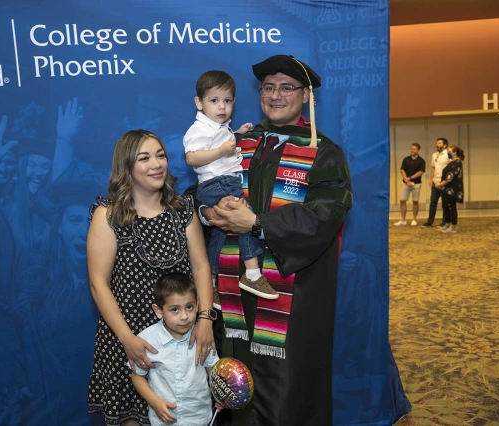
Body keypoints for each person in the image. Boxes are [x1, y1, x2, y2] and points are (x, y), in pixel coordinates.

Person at [200, 55, 353, 425]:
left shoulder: (323, 152)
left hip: (293, 295)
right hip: (233, 293)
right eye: (269, 87)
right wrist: (208, 213)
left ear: (306, 96)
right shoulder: (237, 143)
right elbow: (199, 189)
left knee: (286, 390)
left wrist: (256, 222)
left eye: (287, 87)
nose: (276, 95)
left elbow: (325, 214)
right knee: (233, 381)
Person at [87, 129, 215, 426]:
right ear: (127, 166)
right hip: (129, 342)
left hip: (182, 339)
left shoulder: (183, 210)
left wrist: (206, 319)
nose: (156, 164)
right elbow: (99, 284)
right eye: (144, 158)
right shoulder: (108, 216)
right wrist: (127, 340)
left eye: (160, 156)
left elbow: (201, 268)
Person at [183, 70, 278, 306]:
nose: (222, 107)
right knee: (246, 218)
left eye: (227, 101)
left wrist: (237, 133)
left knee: (219, 234)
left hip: (219, 182)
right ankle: (253, 274)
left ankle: (211, 284)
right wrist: (222, 152)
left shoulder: (218, 127)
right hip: (219, 182)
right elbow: (192, 158)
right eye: (214, 101)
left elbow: (216, 141)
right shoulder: (198, 129)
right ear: (199, 102)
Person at [130, 272, 219, 426]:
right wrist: (154, 402)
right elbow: (137, 376)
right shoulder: (148, 340)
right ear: (159, 311)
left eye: (189, 307)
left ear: (198, 304)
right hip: (163, 421)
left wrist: (220, 395)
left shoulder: (202, 338)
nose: (184, 316)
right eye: (175, 310)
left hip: (199, 419)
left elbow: (213, 370)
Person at [421, 137, 450, 228]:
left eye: (440, 143)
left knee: (445, 204)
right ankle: (430, 221)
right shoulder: (434, 155)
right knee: (433, 202)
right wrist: (431, 180)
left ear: (445, 145)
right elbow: (433, 168)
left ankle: (445, 221)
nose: (437, 144)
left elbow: (450, 169)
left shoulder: (448, 155)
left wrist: (446, 181)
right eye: (437, 143)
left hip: (444, 183)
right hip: (435, 182)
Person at [394, 143, 425, 226]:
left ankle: (414, 219)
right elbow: (402, 170)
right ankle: (403, 220)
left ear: (418, 150)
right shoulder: (406, 159)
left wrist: (410, 178)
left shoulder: (421, 161)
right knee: (402, 200)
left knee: (415, 201)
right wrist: (406, 179)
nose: (412, 150)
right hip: (405, 183)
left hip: (416, 184)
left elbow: (420, 172)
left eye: (414, 149)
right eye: (411, 149)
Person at [436, 146, 464, 233]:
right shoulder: (451, 162)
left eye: (449, 151)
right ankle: (447, 224)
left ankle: (453, 226)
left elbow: (450, 177)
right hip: (446, 188)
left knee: (452, 207)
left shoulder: (457, 162)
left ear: (455, 152)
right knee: (446, 207)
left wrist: (440, 184)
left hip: (453, 189)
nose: (448, 153)